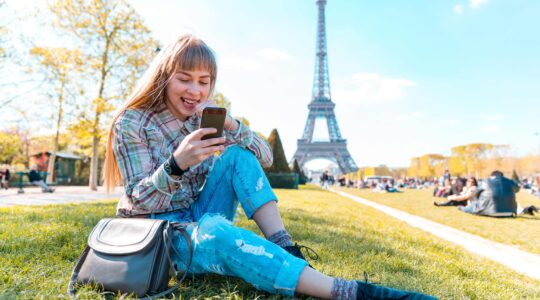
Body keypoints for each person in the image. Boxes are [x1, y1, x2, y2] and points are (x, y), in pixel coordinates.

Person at [102, 35, 435, 300]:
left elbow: (263, 156)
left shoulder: (202, 120)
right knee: (216, 232)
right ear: (164, 76)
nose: (196, 90)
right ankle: (342, 290)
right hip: (158, 233)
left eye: (205, 81)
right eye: (184, 79)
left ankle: (284, 247)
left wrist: (232, 125)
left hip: (194, 212)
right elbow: (137, 201)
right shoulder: (134, 122)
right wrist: (177, 164)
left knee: (237, 156)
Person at [459, 171, 537, 217]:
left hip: (489, 211)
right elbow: (517, 190)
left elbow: (476, 195)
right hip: (509, 213)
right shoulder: (510, 182)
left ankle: (461, 208)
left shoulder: (485, 181)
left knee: (472, 205)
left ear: (492, 176)